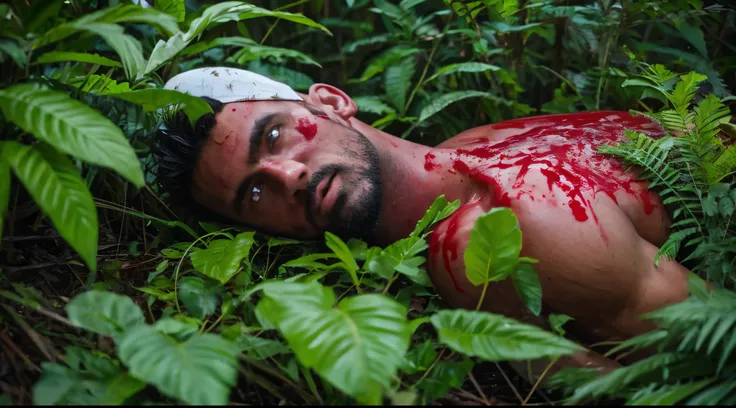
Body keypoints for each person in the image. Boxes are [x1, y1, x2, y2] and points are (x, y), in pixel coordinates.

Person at [153, 67, 690, 375]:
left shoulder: (487, 192)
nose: (288, 175)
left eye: (273, 136)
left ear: (332, 101)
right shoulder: (485, 196)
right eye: (252, 192)